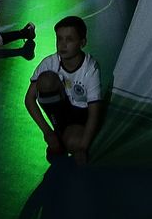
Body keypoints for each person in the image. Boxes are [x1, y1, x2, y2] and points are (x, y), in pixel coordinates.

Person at [26, 15, 103, 165]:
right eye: (59, 39)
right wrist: (47, 132)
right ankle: (58, 132)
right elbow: (29, 99)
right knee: (46, 80)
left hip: (82, 113)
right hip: (60, 111)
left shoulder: (90, 68)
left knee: (74, 143)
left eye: (69, 39)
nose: (63, 45)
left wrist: (83, 148)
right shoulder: (50, 62)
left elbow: (94, 113)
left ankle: (66, 138)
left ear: (82, 42)